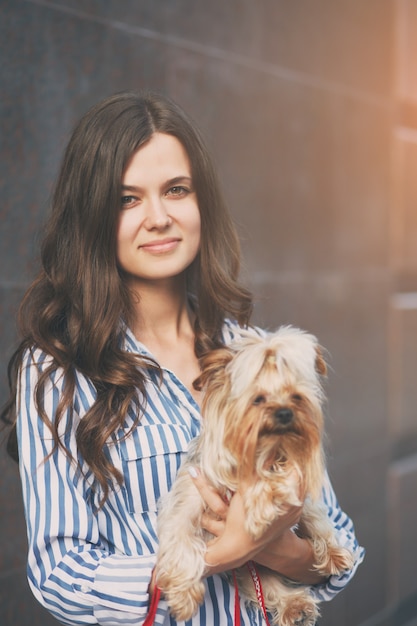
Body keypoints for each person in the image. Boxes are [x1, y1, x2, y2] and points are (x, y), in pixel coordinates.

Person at [1, 90, 364, 626]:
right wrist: (222, 553)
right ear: (93, 216)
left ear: (202, 203)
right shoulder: (58, 370)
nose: (158, 217)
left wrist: (274, 549)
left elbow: (338, 550)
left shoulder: (255, 352)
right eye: (127, 199)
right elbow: (60, 575)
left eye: (176, 190)